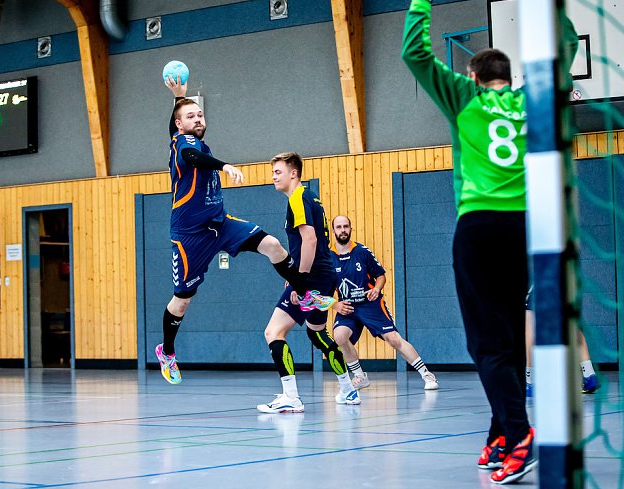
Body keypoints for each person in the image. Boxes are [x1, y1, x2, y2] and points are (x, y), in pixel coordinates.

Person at [401, 0, 578, 485]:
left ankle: (519, 433)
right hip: (528, 228)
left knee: (487, 342)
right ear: (510, 76)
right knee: (504, 333)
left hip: (479, 225)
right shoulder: (532, 99)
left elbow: (415, 54)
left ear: (476, 75)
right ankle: (500, 430)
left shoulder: (464, 96)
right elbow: (566, 53)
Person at [155, 77, 328, 385]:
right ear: (179, 125)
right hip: (190, 236)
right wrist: (222, 166)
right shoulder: (184, 146)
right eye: (190, 116)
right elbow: (193, 158)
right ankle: (167, 351)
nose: (197, 119)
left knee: (273, 245)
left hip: (219, 223)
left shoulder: (187, 137)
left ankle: (304, 295)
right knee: (182, 299)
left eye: (200, 115)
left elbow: (184, 129)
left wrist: (179, 97)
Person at [256, 152, 361, 413]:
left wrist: (297, 281)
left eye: (277, 172)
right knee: (317, 333)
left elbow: (310, 240)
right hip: (326, 274)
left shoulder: (298, 198)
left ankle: (290, 396)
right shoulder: (312, 196)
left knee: (273, 332)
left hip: (312, 274)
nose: (273, 177)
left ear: (294, 173)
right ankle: (348, 390)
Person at [329, 215, 439, 391]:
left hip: (370, 305)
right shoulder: (327, 258)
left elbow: (381, 275)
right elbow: (315, 288)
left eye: (346, 226)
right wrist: (335, 305)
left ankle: (427, 374)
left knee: (394, 339)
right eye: (339, 227)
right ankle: (359, 376)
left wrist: (377, 289)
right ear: (333, 230)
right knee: (340, 336)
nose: (343, 230)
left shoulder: (362, 252)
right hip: (347, 307)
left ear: (351, 228)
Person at [525, 288, 600, 397]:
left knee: (529, 319)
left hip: (545, 279)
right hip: (567, 279)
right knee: (570, 322)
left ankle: (530, 381)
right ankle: (589, 374)